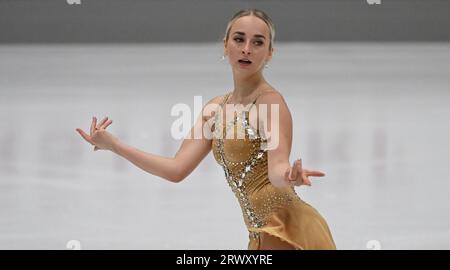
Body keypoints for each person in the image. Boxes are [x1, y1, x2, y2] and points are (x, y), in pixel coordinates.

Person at [76, 8, 336, 250]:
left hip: (291, 232)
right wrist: (115, 145)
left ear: (269, 52)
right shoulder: (215, 109)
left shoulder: (270, 103)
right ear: (225, 45)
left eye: (258, 42)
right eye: (239, 39)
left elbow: (278, 167)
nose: (247, 49)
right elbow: (176, 169)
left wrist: (289, 176)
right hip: (259, 235)